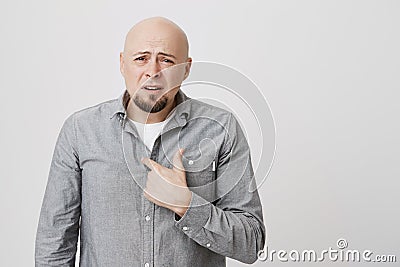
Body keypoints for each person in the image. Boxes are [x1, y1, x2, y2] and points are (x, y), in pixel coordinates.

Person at [35, 17, 265, 266]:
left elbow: (250, 243)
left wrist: (186, 205)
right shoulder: (81, 131)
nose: (153, 72)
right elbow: (55, 244)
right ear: (122, 63)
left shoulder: (222, 129)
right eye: (141, 58)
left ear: (186, 68)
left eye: (166, 60)